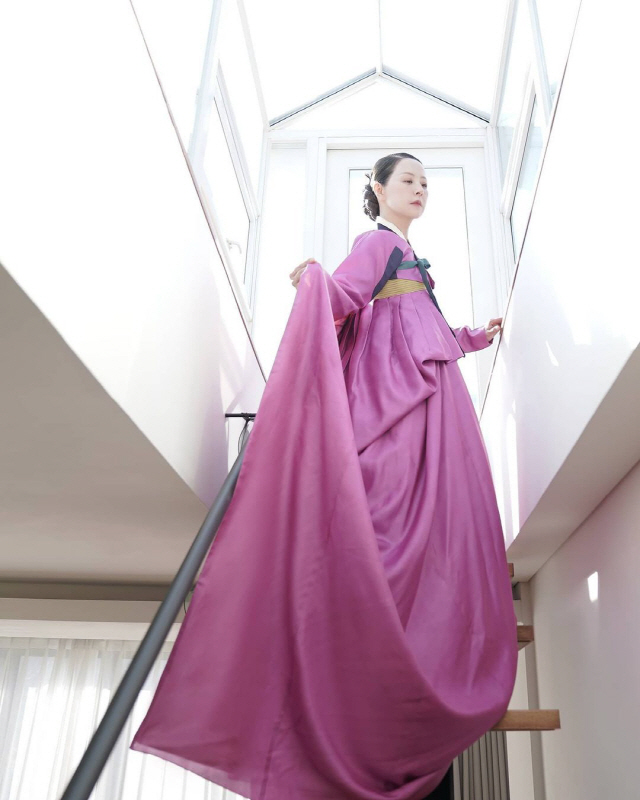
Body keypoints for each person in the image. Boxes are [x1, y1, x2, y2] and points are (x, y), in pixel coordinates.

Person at [130, 153, 517, 799]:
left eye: (425, 182)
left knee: (422, 495)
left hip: (424, 387)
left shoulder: (412, 260)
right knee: (391, 489)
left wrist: (476, 336)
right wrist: (315, 278)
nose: (420, 189)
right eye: (407, 180)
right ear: (378, 189)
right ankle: (373, 597)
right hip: (395, 389)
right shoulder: (376, 243)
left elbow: (427, 329)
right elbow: (345, 293)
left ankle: (396, 607)